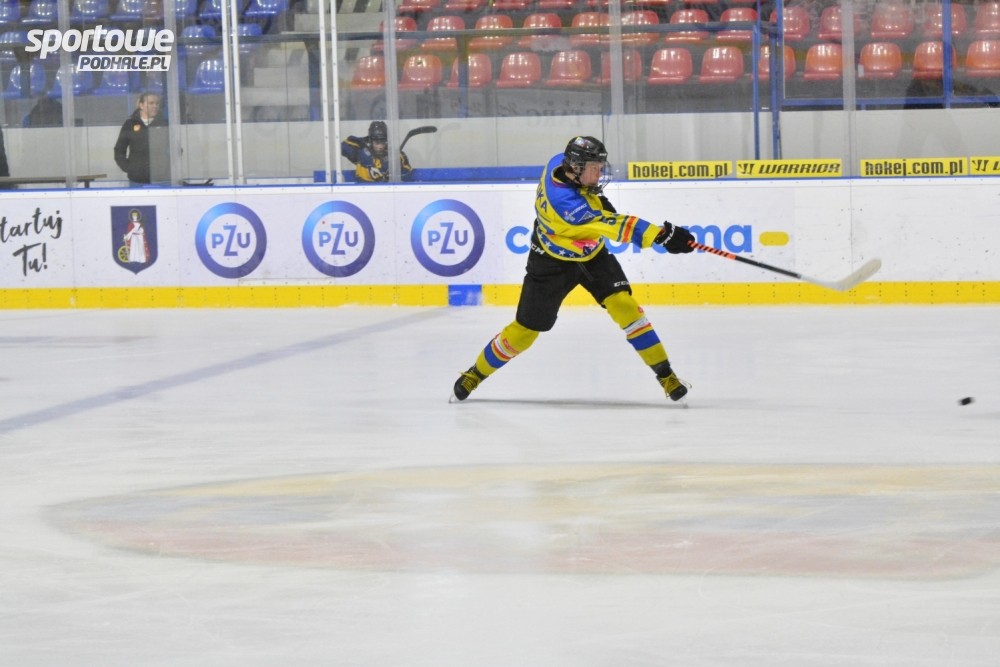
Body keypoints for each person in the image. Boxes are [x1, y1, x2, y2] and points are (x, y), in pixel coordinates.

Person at [450, 136, 696, 404]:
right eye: (595, 168)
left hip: (591, 256)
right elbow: (613, 225)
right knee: (524, 332)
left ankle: (666, 375)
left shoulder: (557, 163)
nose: (600, 173)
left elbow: (595, 206)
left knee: (625, 306)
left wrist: (598, 199)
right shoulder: (567, 206)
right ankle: (475, 373)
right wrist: (661, 235)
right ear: (576, 168)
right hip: (550, 263)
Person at [113, 92, 169, 186]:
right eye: (151, 103)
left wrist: (166, 167)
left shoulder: (164, 124)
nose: (155, 106)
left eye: (157, 103)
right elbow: (119, 150)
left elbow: (176, 149)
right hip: (137, 180)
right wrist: (130, 169)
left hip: (162, 179)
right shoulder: (130, 124)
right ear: (141, 105)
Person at [340, 120, 414, 183]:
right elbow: (343, 146)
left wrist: (393, 175)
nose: (380, 146)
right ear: (371, 141)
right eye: (377, 143)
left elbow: (408, 171)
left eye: (383, 142)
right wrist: (364, 140)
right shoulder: (361, 153)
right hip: (363, 190)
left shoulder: (396, 155)